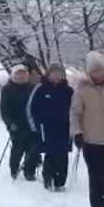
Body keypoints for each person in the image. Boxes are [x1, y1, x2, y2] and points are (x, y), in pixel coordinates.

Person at [70, 51, 104, 207]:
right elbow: (75, 114)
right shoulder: (82, 90)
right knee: (96, 175)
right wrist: (77, 132)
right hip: (91, 140)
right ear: (88, 72)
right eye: (94, 70)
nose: (97, 74)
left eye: (100, 70)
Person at [27, 62, 74, 191]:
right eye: (54, 74)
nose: (56, 76)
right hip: (46, 128)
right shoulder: (40, 89)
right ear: (49, 75)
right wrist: (35, 127)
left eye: (59, 74)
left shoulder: (68, 91)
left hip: (64, 128)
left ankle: (60, 183)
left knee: (63, 156)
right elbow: (31, 109)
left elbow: (76, 109)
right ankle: (48, 178)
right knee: (50, 154)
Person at [0, 64, 39, 181]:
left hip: (31, 123)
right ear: (13, 75)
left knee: (33, 149)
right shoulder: (7, 89)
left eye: (23, 74)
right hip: (16, 124)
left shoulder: (32, 87)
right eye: (18, 74)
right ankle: (14, 170)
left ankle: (29, 172)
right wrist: (9, 123)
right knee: (17, 148)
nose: (20, 77)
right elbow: (4, 109)